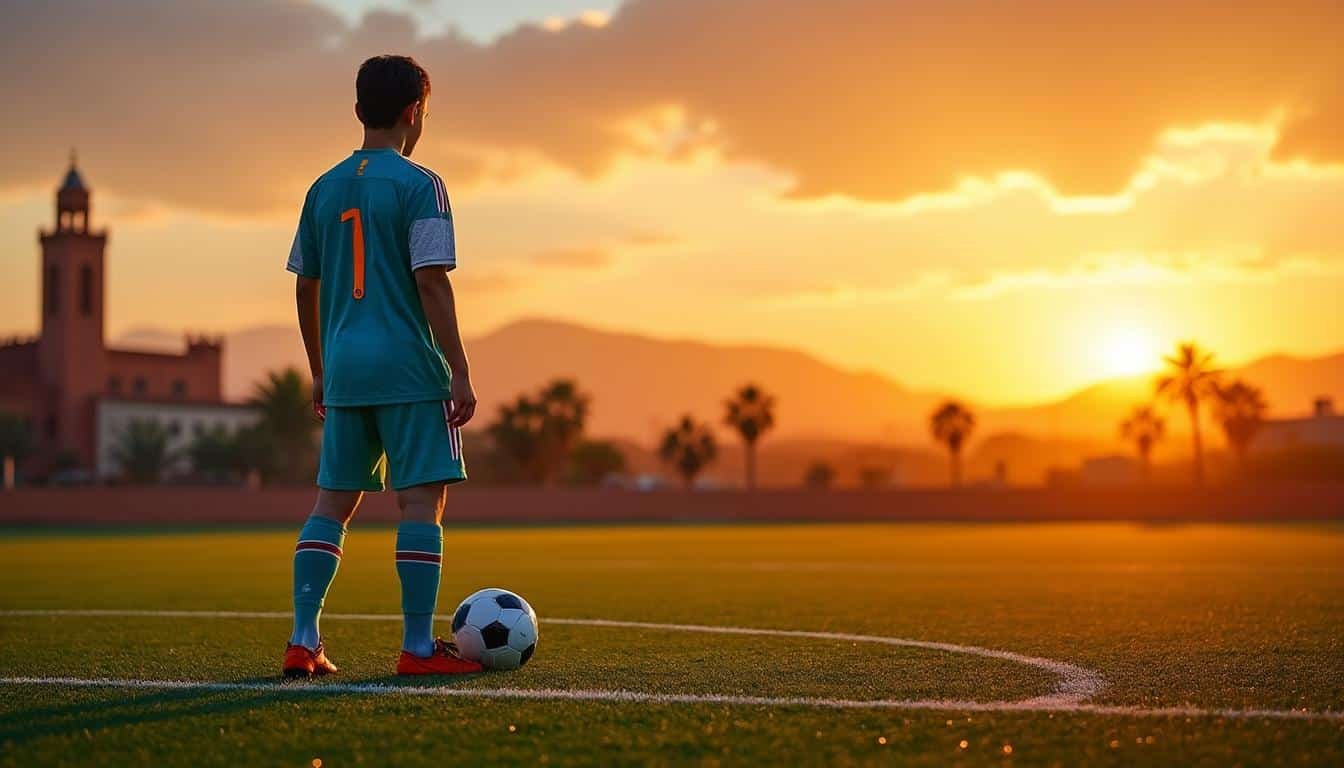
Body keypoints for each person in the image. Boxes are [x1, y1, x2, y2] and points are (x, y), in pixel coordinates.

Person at [282, 55, 481, 678]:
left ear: (357, 109)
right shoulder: (423, 185)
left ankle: (302, 639)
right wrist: (461, 368)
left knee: (331, 505)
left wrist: (319, 368)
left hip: (344, 369)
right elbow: (431, 282)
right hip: (408, 370)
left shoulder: (322, 188)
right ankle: (418, 649)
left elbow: (305, 287)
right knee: (421, 504)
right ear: (413, 113)